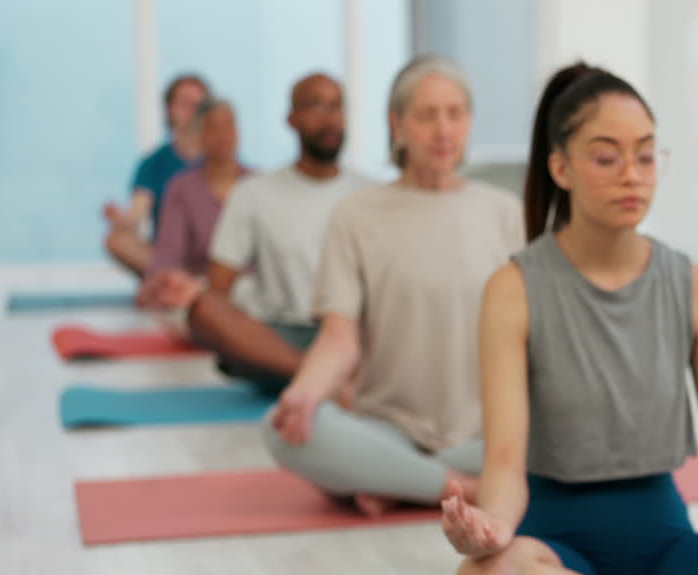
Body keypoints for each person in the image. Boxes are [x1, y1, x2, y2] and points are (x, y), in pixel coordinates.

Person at [439, 63, 698, 575]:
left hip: (664, 546)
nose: (632, 173)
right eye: (607, 157)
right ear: (561, 168)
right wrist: (489, 529)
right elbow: (506, 462)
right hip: (555, 552)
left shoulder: (694, 286)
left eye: (646, 157)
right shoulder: (514, 288)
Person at [263, 56, 523, 516]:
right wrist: (304, 392)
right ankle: (458, 486)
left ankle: (397, 480)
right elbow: (339, 338)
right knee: (281, 427)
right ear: (396, 124)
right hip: (387, 427)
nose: (443, 130)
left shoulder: (506, 213)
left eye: (455, 114)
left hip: (484, 434)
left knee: (560, 434)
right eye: (427, 115)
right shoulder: (355, 214)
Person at [186, 73, 366, 392]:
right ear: (291, 119)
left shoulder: (371, 194)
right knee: (204, 310)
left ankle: (320, 378)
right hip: (284, 339)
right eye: (316, 106)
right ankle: (322, 379)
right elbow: (217, 293)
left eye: (337, 107)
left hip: (353, 336)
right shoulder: (253, 193)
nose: (329, 118)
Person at [138, 98, 249, 310]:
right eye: (214, 127)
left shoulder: (257, 186)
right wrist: (163, 282)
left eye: (229, 125)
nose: (223, 135)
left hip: (253, 297)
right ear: (200, 135)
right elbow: (167, 253)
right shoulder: (182, 187)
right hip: (197, 295)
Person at [103, 74, 209, 276]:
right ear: (170, 109)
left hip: (214, 256)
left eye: (198, 104)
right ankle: (178, 281)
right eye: (185, 103)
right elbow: (137, 213)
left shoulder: (221, 161)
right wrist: (122, 220)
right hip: (169, 258)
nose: (192, 110)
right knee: (117, 240)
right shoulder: (153, 164)